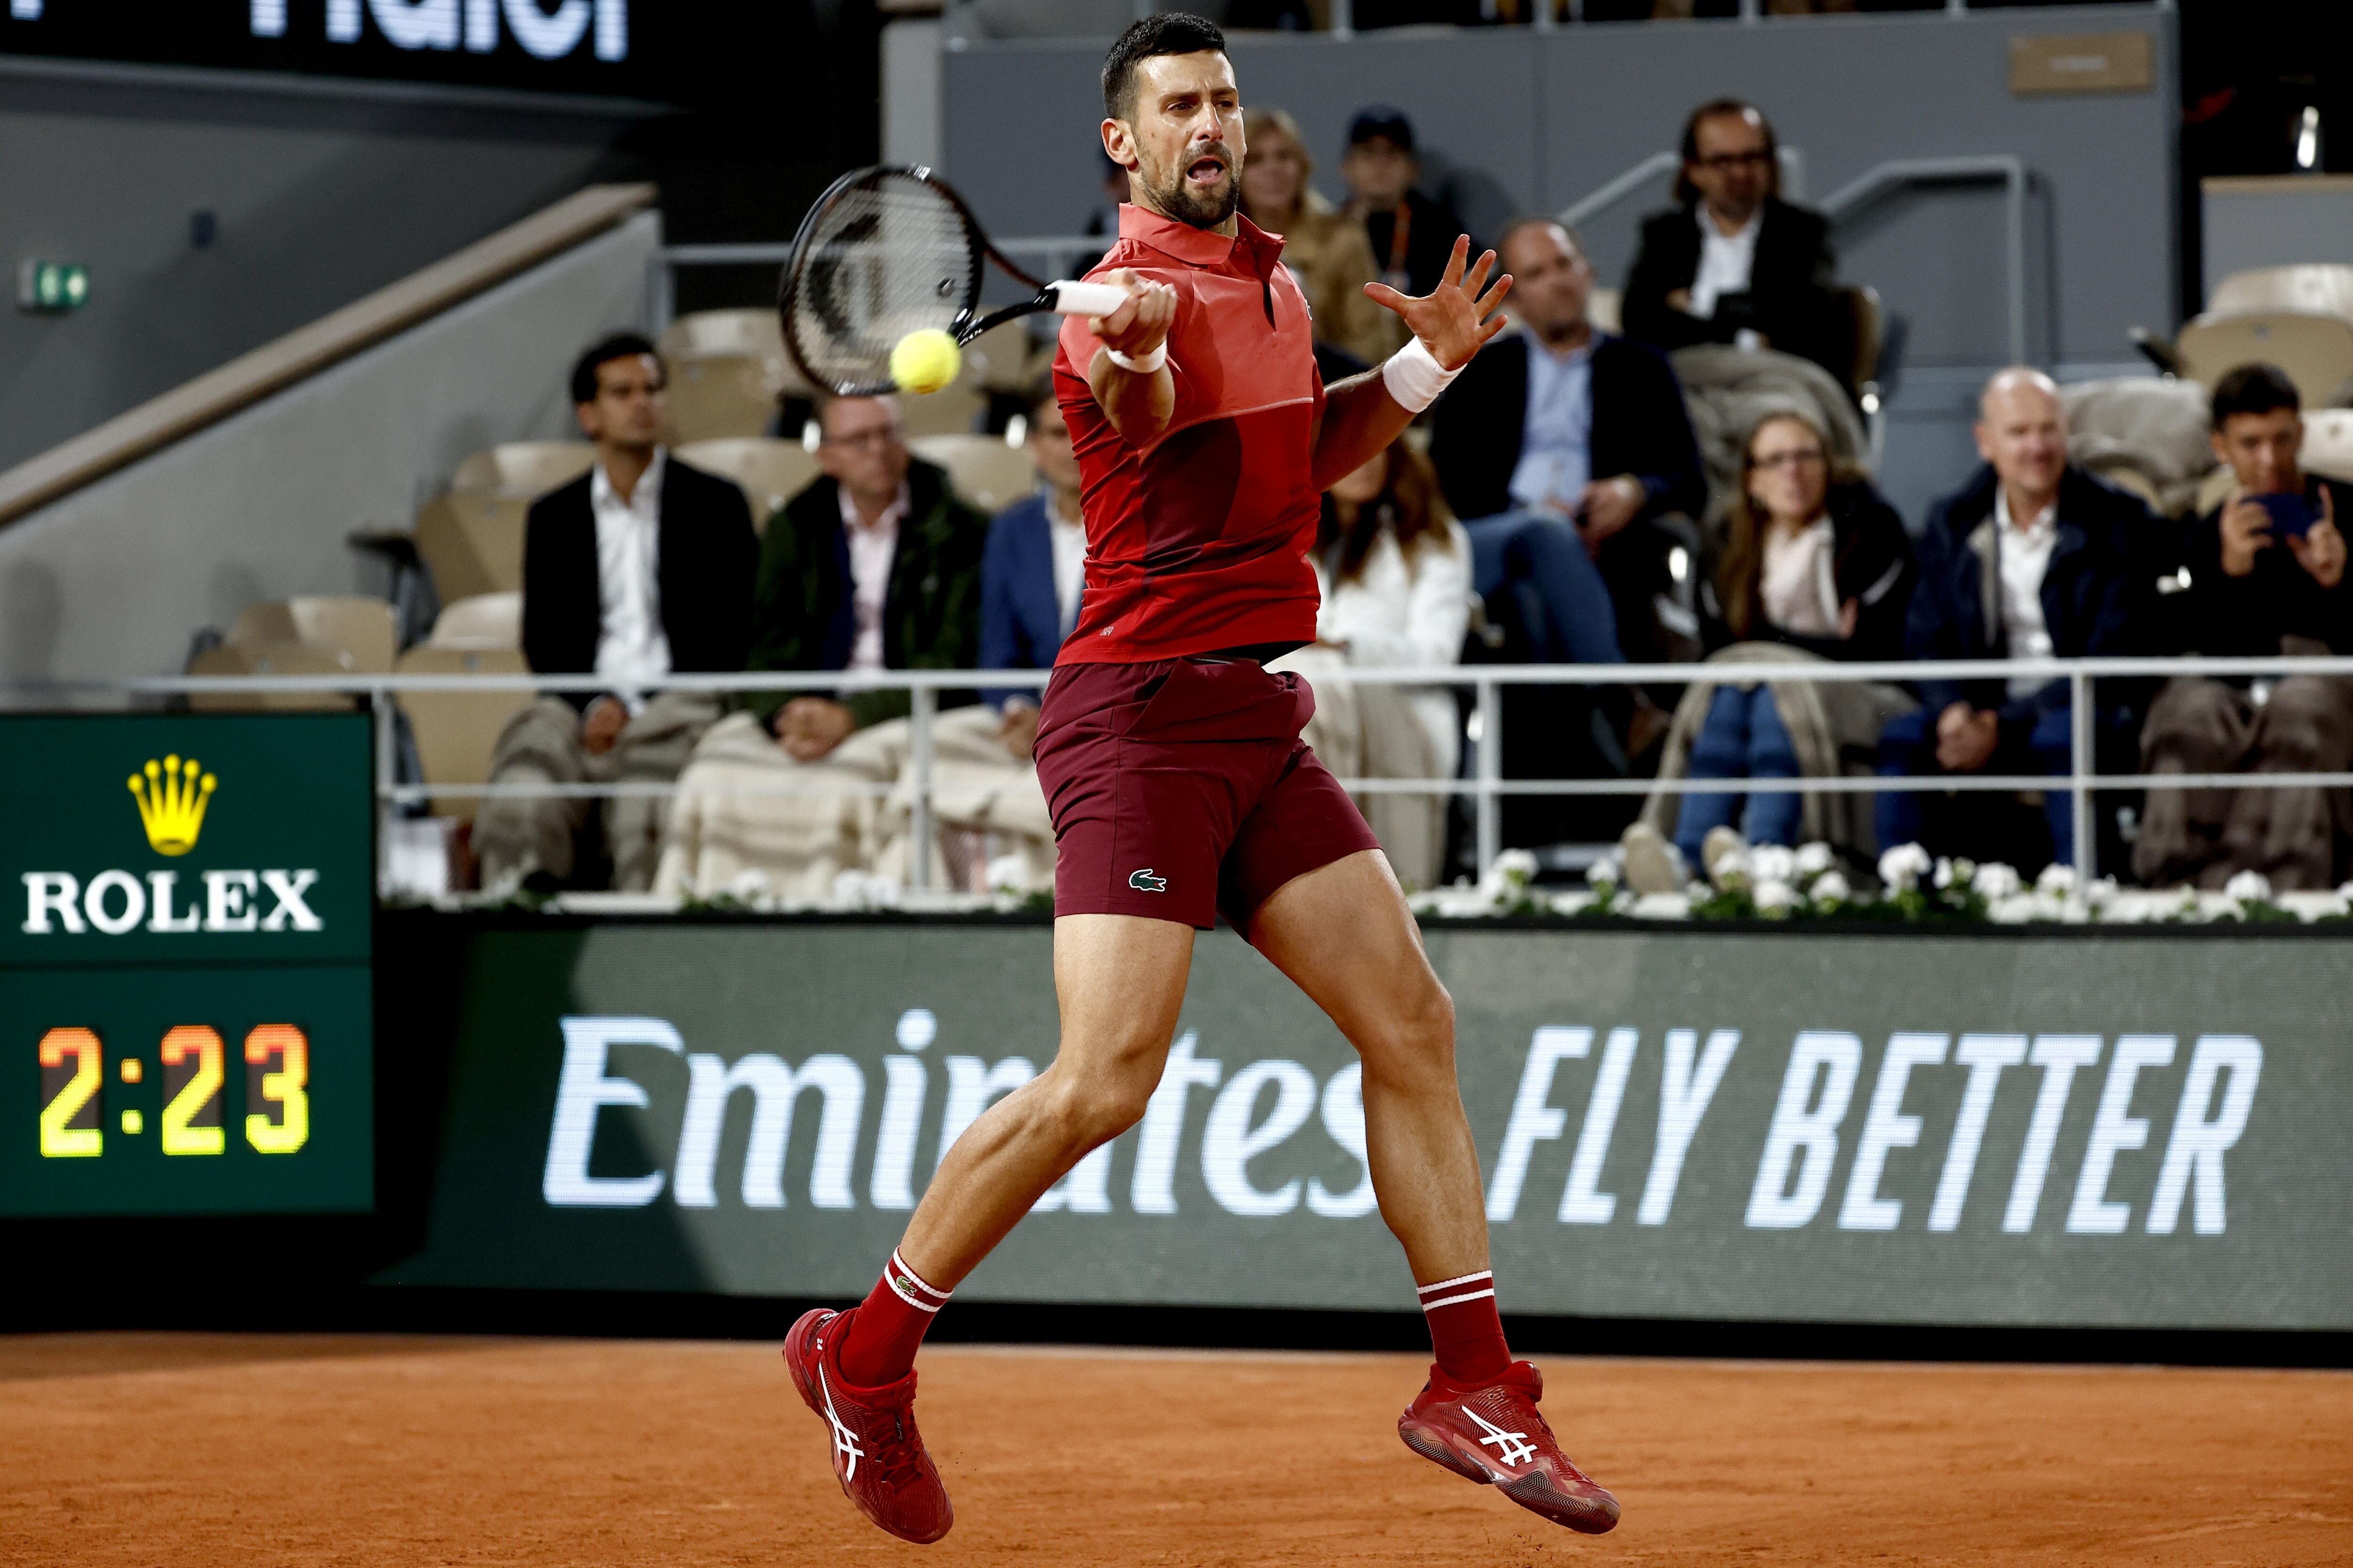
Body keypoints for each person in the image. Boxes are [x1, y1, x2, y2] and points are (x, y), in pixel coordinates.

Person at [781, 14, 1617, 1546]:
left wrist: (1425, 367)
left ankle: (1477, 1383)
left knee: (1413, 1022)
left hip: (1256, 720)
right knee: (1106, 1078)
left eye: (1225, 98)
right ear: (1127, 142)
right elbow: (1151, 423)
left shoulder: (1282, 277)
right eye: (1179, 105)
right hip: (1140, 722)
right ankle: (865, 1359)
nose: (1210, 123)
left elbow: (1303, 455)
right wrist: (1146, 360)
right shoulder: (1114, 311)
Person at [475, 333, 755, 893]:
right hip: (580, 702)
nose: (642, 402)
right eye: (622, 392)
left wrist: (640, 708)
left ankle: (642, 950)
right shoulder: (553, 516)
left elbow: (733, 633)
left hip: (681, 701)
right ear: (589, 414)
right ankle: (519, 931)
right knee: (523, 784)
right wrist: (596, 704)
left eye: (652, 389)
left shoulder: (716, 504)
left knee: (642, 800)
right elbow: (545, 640)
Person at [1619, 409, 1914, 889]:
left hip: (1865, 694)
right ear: (1751, 480)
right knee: (1738, 692)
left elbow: (1871, 647)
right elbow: (1721, 647)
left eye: (1804, 456)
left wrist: (1769, 644)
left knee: (1766, 688)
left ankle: (1763, 853)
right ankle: (1688, 861)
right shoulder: (1728, 542)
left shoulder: (1870, 528)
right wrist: (1817, 643)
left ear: (1827, 465)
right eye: (1775, 461)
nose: (1792, 472)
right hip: (1760, 686)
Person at [1878, 367, 2144, 872]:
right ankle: (1904, 898)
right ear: (1985, 442)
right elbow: (1923, 634)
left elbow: (2112, 654)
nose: (2036, 446)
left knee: (2061, 737)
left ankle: (2078, 892)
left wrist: (2000, 724)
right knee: (1902, 738)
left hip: (2079, 705)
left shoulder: (2117, 520)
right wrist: (1953, 710)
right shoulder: (1951, 521)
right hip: (1980, 711)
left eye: (2047, 429)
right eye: (2018, 432)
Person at [1429, 218, 1707, 671]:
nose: (1557, 281)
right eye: (1537, 274)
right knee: (1543, 537)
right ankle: (1623, 698)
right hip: (1499, 538)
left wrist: (1635, 490)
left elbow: (1690, 480)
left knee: (1531, 606)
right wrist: (1529, 518)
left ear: (1589, 273)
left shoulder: (1643, 368)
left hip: (1607, 545)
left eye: (1565, 264)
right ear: (1514, 301)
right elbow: (1442, 484)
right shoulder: (1481, 375)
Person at [2134, 363, 2353, 890]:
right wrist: (2227, 574)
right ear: (2220, 447)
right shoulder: (2207, 532)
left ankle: (2285, 886)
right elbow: (2203, 650)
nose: (2268, 460)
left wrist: (2339, 583)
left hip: (2327, 674)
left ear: (2300, 434)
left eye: (2281, 439)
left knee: (2299, 709)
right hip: (2232, 680)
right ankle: (2170, 886)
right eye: (2249, 443)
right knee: (2184, 712)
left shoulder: (2349, 509)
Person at [744, 393, 990, 758]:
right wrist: (784, 715)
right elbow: (766, 648)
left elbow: (954, 657)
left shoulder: (962, 530)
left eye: (889, 434)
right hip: (808, 708)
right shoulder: (793, 529)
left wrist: (853, 716)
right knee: (713, 779)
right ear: (827, 457)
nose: (878, 450)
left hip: (914, 712)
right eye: (859, 440)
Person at [1292, 436, 1471, 888]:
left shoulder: (1432, 540)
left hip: (1404, 715)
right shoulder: (1289, 539)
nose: (1366, 462)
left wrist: (1348, 648)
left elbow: (1436, 657)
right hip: (1315, 703)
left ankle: (1322, 868)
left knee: (1311, 684)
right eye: (1351, 448)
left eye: (1377, 449)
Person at [1621, 100, 1846, 390]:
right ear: (1694, 170)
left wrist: (1694, 315)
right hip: (1685, 383)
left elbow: (1805, 323)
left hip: (1776, 380)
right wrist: (1748, 333)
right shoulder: (1665, 234)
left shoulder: (1803, 232)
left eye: (1752, 158)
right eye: (1723, 162)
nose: (1740, 173)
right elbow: (1640, 319)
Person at [978, 378, 1088, 759]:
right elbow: (996, 652)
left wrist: (1057, 719)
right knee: (929, 756)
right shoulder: (1012, 528)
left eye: (1089, 426)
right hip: (1027, 723)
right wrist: (1019, 709)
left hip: (1111, 723)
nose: (1076, 445)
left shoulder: (1146, 525)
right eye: (1060, 433)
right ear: (1034, 444)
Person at [1239, 106, 1391, 366]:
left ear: (1302, 166)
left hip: (1332, 386)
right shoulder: (1216, 244)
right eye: (1256, 160)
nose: (1273, 169)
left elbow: (1369, 345)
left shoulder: (1343, 239)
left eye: (1284, 157)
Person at [1340, 106, 1477, 359]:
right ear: (1347, 167)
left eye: (1392, 154)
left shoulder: (1442, 231)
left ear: (1413, 169)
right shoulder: (1331, 230)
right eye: (1369, 154)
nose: (1380, 165)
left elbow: (1484, 274)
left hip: (1426, 359)